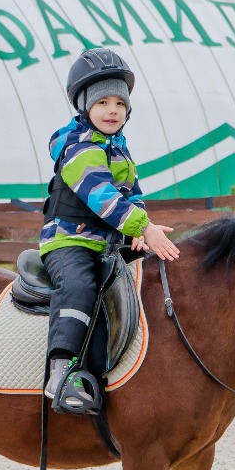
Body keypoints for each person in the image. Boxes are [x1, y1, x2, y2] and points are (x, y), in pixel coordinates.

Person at [40, 48, 179, 408]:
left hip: (107, 242)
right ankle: (61, 371)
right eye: (102, 102)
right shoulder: (80, 148)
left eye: (120, 103)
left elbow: (133, 195)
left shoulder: (119, 149)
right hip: (69, 240)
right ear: (84, 107)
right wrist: (144, 227)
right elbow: (101, 195)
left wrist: (137, 229)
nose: (112, 110)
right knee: (78, 285)